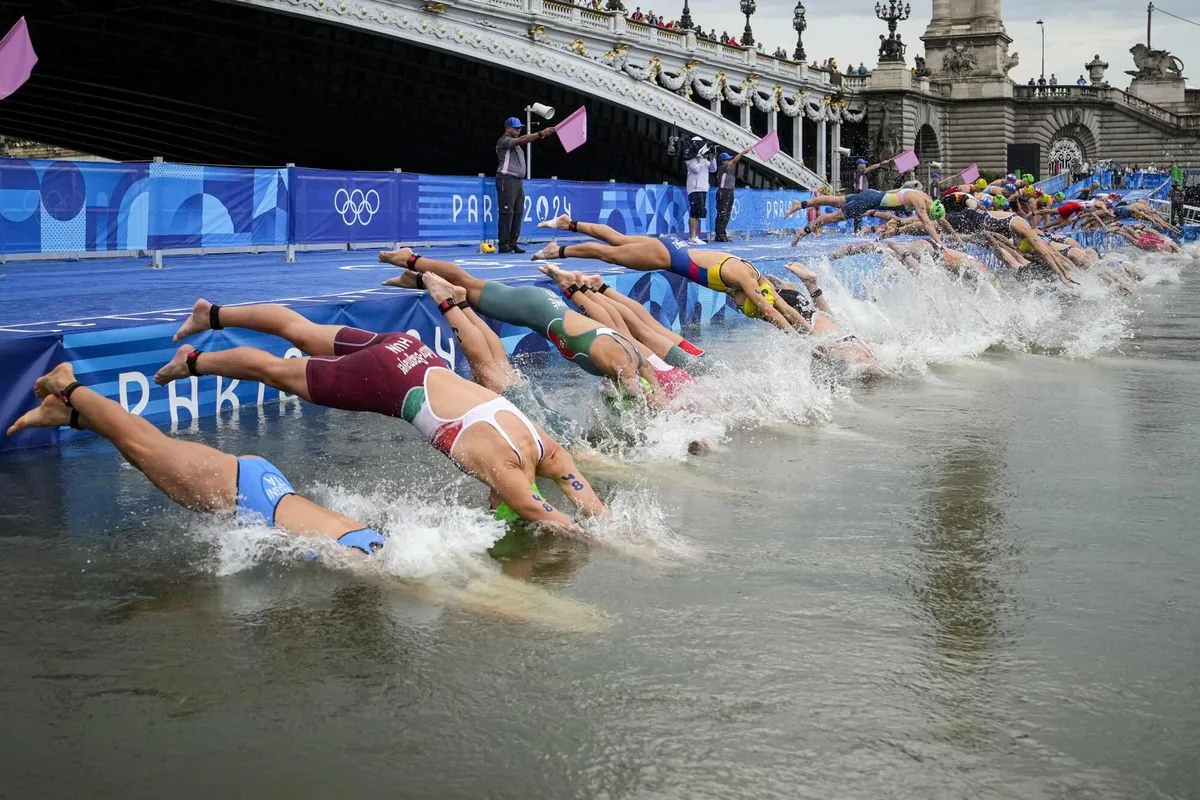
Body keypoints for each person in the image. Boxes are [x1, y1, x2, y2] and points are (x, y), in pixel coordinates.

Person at [159, 299, 606, 530]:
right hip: (391, 381)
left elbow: (586, 503)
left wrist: (613, 531)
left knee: (305, 333)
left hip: (410, 352)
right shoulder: (506, 473)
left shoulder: (548, 449)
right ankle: (193, 361)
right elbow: (548, 516)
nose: (493, 506)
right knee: (276, 372)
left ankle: (212, 314)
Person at [6, 365, 387, 556]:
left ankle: (67, 415)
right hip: (245, 496)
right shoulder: (365, 559)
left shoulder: (374, 543)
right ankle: (68, 386)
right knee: (143, 446)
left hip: (262, 486)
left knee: (148, 448)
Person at [379, 248, 664, 406]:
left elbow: (652, 389)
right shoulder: (624, 368)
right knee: (469, 284)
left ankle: (416, 280)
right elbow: (647, 401)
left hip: (546, 308)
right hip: (535, 307)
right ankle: (411, 259)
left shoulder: (635, 358)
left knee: (490, 356)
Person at [533, 215, 805, 332]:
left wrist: (806, 331)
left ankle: (569, 223)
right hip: (666, 257)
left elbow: (781, 306)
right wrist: (797, 341)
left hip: (674, 246)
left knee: (617, 239)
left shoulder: (760, 279)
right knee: (609, 254)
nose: (735, 305)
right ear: (745, 294)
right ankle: (558, 251)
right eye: (740, 305)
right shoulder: (745, 280)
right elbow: (770, 312)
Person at [786, 187, 946, 244]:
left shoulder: (923, 195)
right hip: (870, 200)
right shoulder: (920, 202)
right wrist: (940, 242)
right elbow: (927, 224)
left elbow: (893, 192)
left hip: (872, 194)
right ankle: (803, 231)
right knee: (835, 217)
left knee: (835, 200)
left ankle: (800, 204)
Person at [495, 116, 557, 254]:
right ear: (507, 128)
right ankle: (504, 244)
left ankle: (512, 243)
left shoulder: (515, 146)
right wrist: (540, 133)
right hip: (507, 179)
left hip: (517, 181)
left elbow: (521, 140)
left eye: (519, 128)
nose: (518, 130)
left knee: (518, 212)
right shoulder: (504, 141)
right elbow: (521, 140)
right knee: (507, 212)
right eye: (515, 128)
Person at [714, 146, 752, 242]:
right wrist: (742, 152)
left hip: (730, 191)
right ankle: (719, 234)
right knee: (722, 213)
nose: (730, 161)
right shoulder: (723, 167)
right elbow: (734, 161)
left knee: (727, 213)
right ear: (723, 161)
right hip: (723, 192)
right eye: (728, 159)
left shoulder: (728, 168)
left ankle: (722, 233)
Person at [684, 138, 716, 244]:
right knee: (694, 212)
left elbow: (713, 169)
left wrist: (711, 157)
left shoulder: (704, 160)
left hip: (703, 188)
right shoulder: (689, 158)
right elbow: (696, 169)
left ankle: (694, 236)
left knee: (699, 213)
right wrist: (701, 158)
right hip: (694, 188)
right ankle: (691, 236)